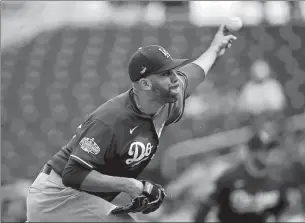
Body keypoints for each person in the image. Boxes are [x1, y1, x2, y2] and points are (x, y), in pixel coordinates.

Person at [26, 25, 237, 222]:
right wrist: (132, 185)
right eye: (166, 74)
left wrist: (215, 47)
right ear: (145, 83)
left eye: (173, 70)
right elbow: (73, 174)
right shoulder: (111, 120)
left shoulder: (167, 98)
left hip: (83, 198)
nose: (175, 78)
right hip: (55, 198)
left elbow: (196, 72)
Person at [193, 123, 289, 223]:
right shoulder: (229, 178)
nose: (270, 154)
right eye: (266, 150)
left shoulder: (276, 182)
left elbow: (282, 210)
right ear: (252, 152)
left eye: (272, 149)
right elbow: (203, 209)